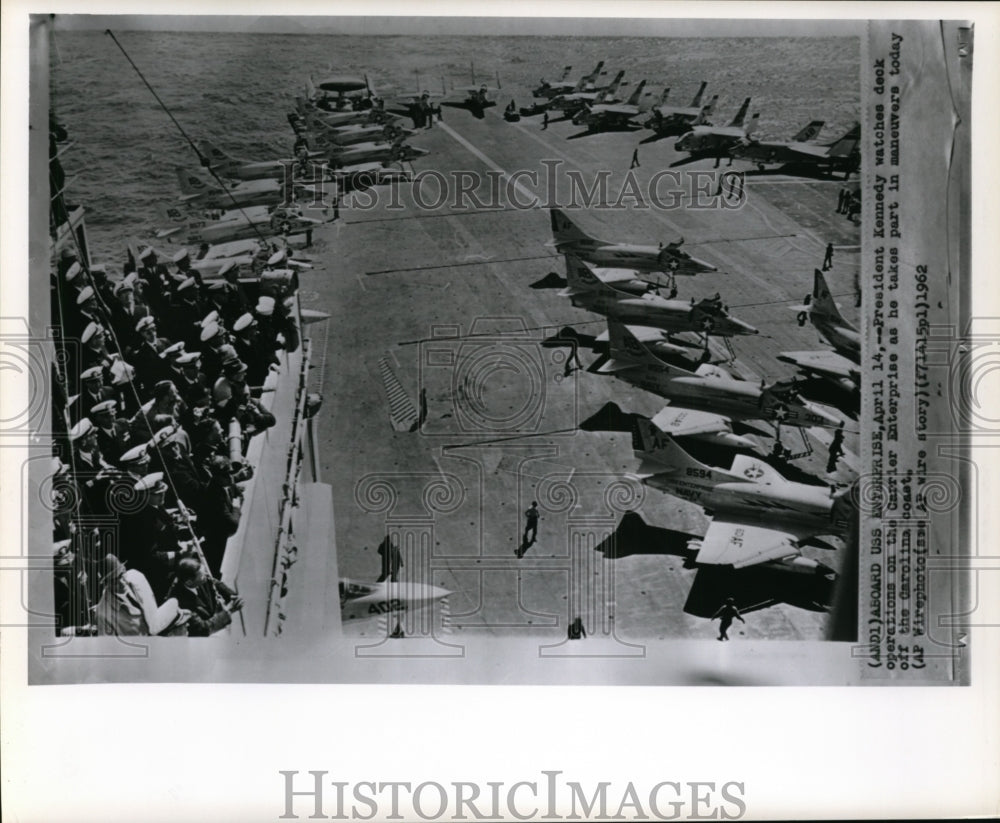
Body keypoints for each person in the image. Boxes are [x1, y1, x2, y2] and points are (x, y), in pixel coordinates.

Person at [94, 554, 189, 636]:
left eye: (121, 575)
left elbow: (154, 621)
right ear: (106, 584)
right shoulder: (103, 613)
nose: (121, 582)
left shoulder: (136, 577)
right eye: (115, 580)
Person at [169, 555, 244, 636]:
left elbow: (215, 583)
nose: (206, 575)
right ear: (189, 582)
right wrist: (228, 611)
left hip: (214, 624)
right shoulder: (180, 603)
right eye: (202, 576)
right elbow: (202, 629)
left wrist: (231, 596)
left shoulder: (200, 577)